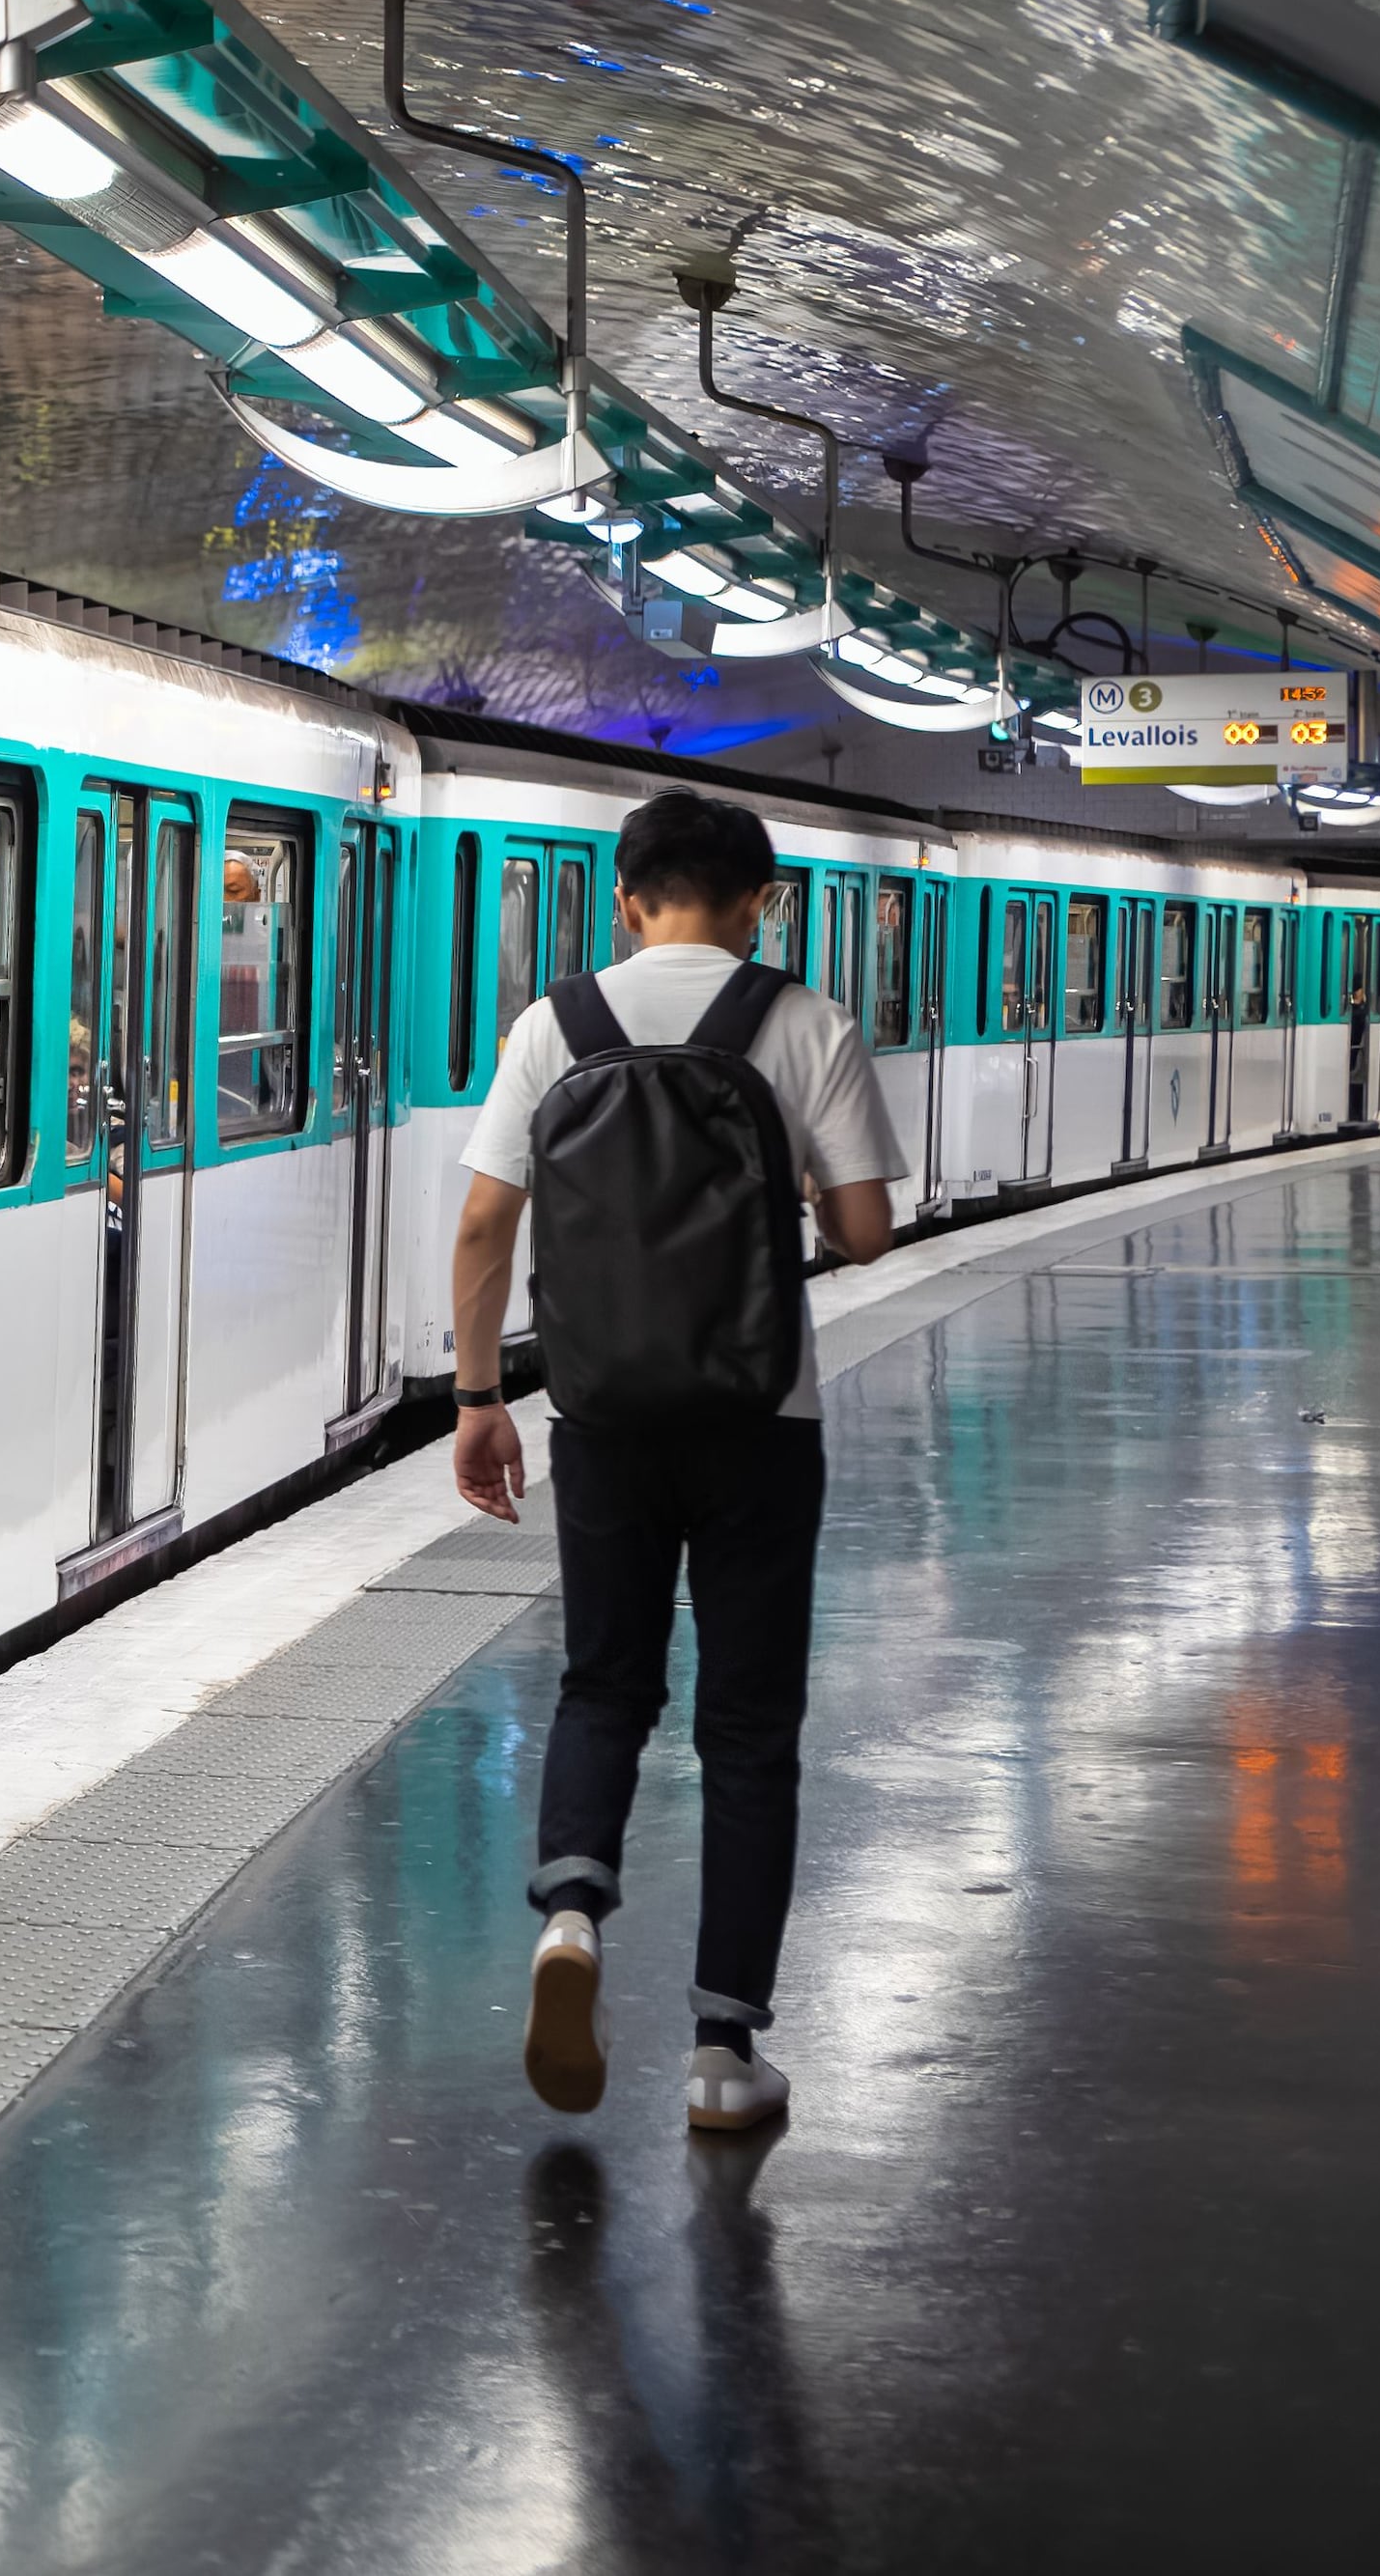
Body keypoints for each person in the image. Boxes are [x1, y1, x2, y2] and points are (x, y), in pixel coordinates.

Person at [449, 789, 900, 2134]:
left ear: (627, 898)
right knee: (750, 1728)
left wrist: (481, 1400)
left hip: (600, 1419)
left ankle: (572, 1916)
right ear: (761, 897)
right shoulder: (802, 1021)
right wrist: (805, 1187)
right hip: (764, 1419)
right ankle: (721, 2052)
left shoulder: (556, 1027)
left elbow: (483, 1229)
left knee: (604, 1685)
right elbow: (868, 1231)